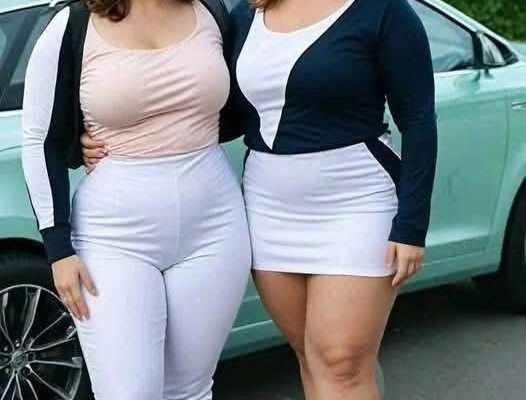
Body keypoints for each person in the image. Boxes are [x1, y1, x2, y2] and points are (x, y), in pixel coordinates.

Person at [82, 0, 438, 398]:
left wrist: (412, 226)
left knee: (342, 362)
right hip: (269, 208)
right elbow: (208, 106)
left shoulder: (383, 11)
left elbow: (419, 119)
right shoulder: (246, 15)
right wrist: (102, 136)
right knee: (310, 356)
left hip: (357, 200)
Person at [21, 0, 251, 398]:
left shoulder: (210, 10)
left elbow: (247, 101)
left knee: (191, 390)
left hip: (215, 227)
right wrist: (58, 248)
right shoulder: (73, 23)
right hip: (114, 237)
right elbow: (40, 140)